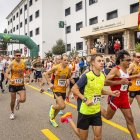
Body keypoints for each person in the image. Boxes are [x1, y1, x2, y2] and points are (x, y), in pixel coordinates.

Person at [60, 54, 120, 140]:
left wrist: (111, 93)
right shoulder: (87, 76)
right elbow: (74, 89)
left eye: (102, 60)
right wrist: (85, 99)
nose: (102, 62)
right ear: (93, 63)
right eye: (99, 61)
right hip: (85, 111)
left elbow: (99, 90)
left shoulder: (103, 76)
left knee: (98, 137)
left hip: (96, 110)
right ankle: (68, 118)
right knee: (83, 137)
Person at [101, 50, 139, 140]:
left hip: (124, 98)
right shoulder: (116, 69)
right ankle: (97, 107)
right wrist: (120, 82)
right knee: (107, 116)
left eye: (130, 60)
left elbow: (125, 81)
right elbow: (105, 82)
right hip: (115, 97)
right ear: (121, 60)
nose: (129, 62)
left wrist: (127, 83)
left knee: (130, 119)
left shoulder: (127, 69)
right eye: (128, 60)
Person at [45, 55, 71, 127]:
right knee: (62, 106)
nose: (66, 61)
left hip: (63, 90)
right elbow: (46, 74)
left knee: (59, 107)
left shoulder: (68, 69)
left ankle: (52, 119)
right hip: (56, 89)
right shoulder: (56, 67)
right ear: (61, 60)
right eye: (65, 60)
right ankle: (52, 107)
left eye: (67, 60)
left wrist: (68, 81)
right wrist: (50, 83)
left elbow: (68, 76)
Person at [5, 50, 26, 120]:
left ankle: (18, 101)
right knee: (12, 101)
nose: (18, 57)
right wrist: (10, 78)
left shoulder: (23, 62)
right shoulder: (12, 63)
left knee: (23, 99)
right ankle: (12, 112)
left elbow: (26, 70)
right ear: (14, 56)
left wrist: (27, 75)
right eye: (17, 55)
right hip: (13, 84)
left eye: (19, 55)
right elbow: (6, 73)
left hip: (21, 84)